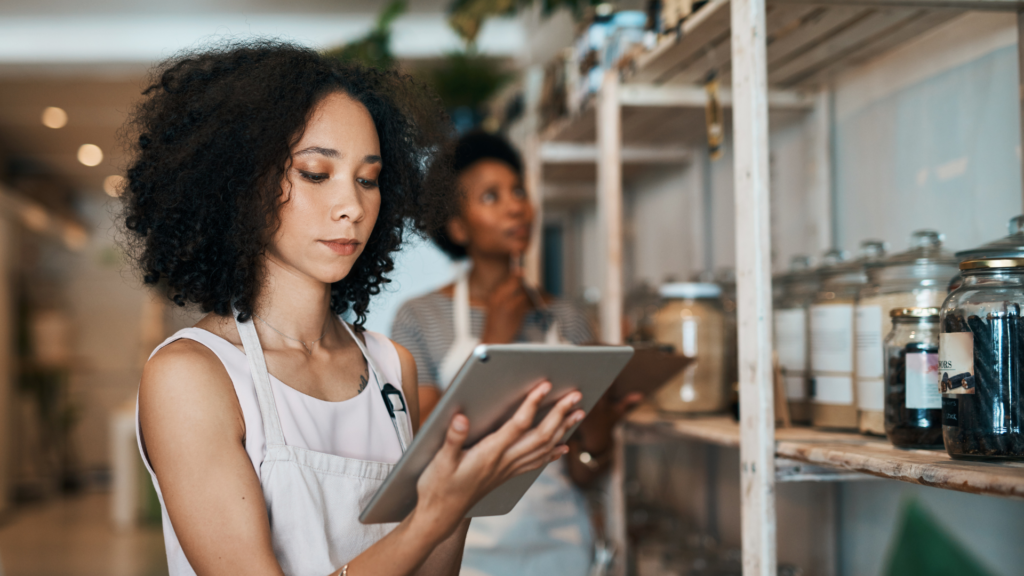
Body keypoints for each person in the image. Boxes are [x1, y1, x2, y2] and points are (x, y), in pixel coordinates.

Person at [123, 42, 585, 576]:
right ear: (241, 185)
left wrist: (461, 495)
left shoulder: (392, 367)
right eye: (317, 173)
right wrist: (432, 515)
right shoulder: (191, 377)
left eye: (368, 179)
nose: (353, 206)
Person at [392, 131, 637, 576]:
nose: (515, 206)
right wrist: (495, 339)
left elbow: (585, 472)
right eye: (491, 196)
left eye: (518, 191)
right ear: (458, 226)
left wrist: (600, 426)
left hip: (562, 546)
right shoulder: (418, 318)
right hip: (464, 551)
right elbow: (425, 452)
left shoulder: (569, 319)